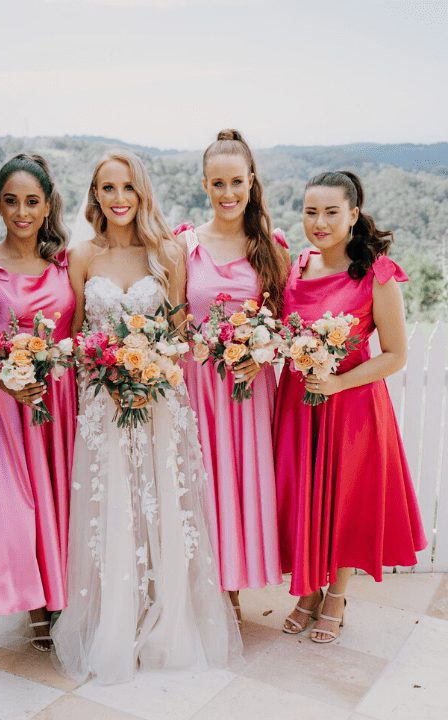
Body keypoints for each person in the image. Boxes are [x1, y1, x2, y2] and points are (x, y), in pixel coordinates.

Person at [52, 149, 240, 684]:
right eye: (107, 188)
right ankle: (114, 622)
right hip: (104, 404)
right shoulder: (82, 255)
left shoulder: (168, 251)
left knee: (162, 503)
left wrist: (151, 370)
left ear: (142, 193)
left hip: (159, 402)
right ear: (95, 196)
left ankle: (169, 622)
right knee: (111, 507)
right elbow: (76, 338)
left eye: (127, 187)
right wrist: (112, 373)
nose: (118, 199)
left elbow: (179, 334)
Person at [274, 171, 426, 644]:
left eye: (331, 212)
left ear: (353, 215)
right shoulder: (295, 266)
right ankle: (308, 589)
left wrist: (337, 382)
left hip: (352, 405)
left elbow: (396, 355)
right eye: (310, 211)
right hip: (299, 403)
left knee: (344, 498)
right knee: (303, 496)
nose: (319, 222)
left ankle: (335, 595)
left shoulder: (376, 274)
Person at [0, 153, 76, 651]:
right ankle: (35, 605)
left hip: (63, 402)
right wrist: (6, 380)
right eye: (11, 202)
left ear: (47, 204)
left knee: (63, 502)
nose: (22, 212)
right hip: (8, 406)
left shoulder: (67, 264)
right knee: (15, 510)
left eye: (32, 201)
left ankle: (65, 596)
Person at [174, 129, 291, 621]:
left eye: (236, 183)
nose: (228, 194)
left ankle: (235, 590)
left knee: (240, 482)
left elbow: (285, 323)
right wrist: (202, 345)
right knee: (202, 480)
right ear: (205, 185)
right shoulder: (185, 245)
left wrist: (261, 354)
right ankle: (204, 589)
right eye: (217, 184)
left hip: (247, 387)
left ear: (250, 182)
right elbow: (176, 315)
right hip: (198, 382)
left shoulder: (270, 246)